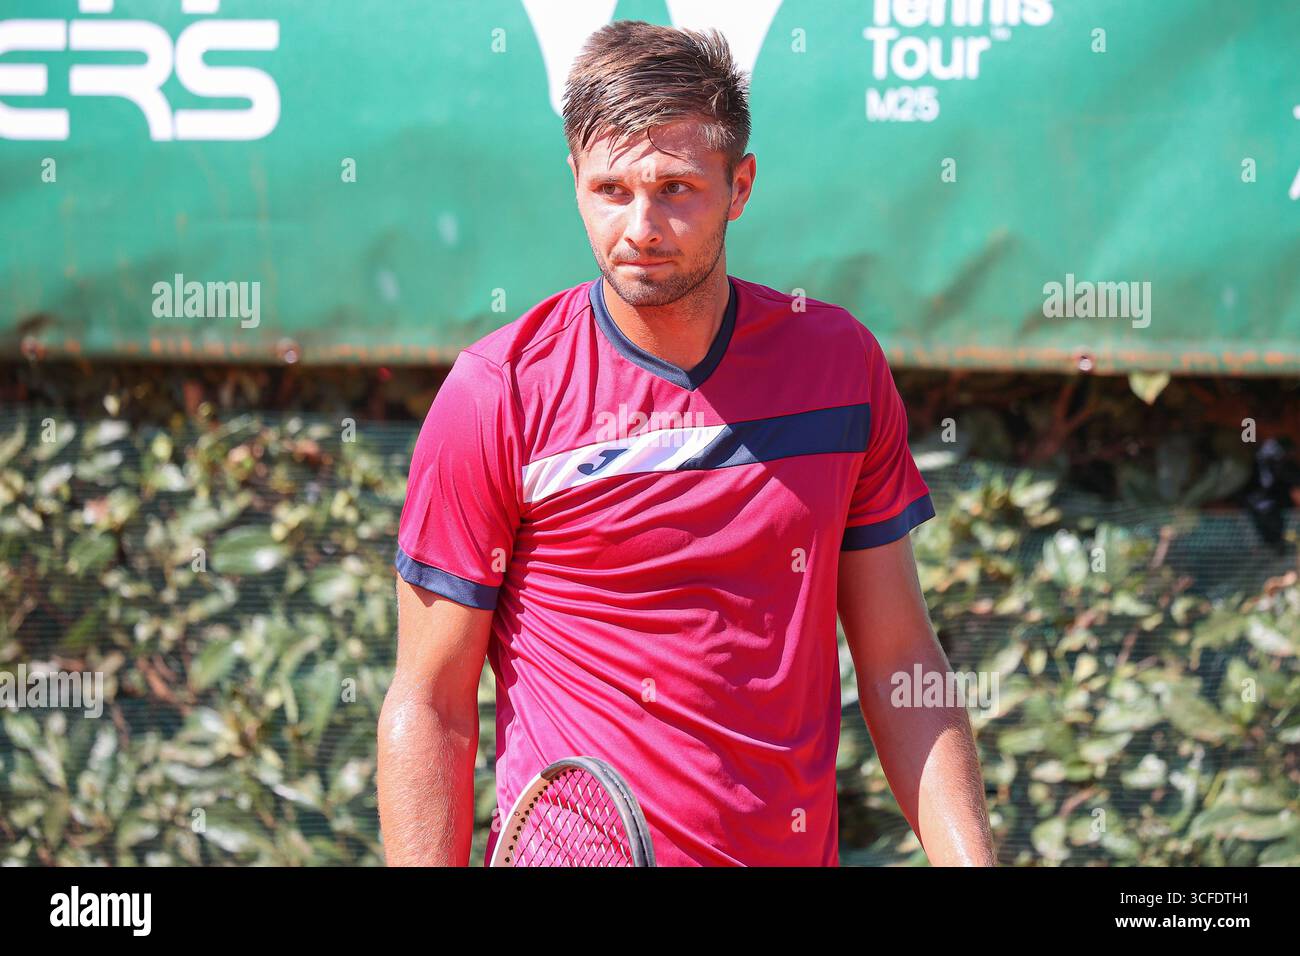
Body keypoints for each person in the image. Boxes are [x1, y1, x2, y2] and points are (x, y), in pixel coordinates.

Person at [378, 19, 994, 867]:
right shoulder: (497, 393)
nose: (641, 225)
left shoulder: (840, 366)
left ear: (740, 187)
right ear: (574, 180)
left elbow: (899, 661)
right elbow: (430, 702)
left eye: (675, 188)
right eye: (610, 189)